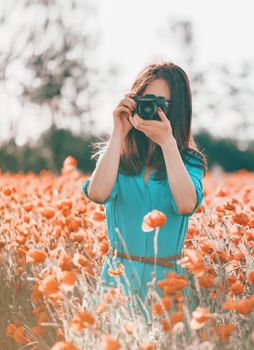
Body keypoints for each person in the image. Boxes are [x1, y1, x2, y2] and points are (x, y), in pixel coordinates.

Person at [81, 61, 208, 322]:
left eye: (163, 103)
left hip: (168, 287)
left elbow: (186, 205)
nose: (153, 109)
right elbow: (97, 194)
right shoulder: (119, 157)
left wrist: (168, 144)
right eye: (147, 100)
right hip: (117, 283)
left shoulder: (190, 162)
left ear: (178, 111)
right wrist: (118, 132)